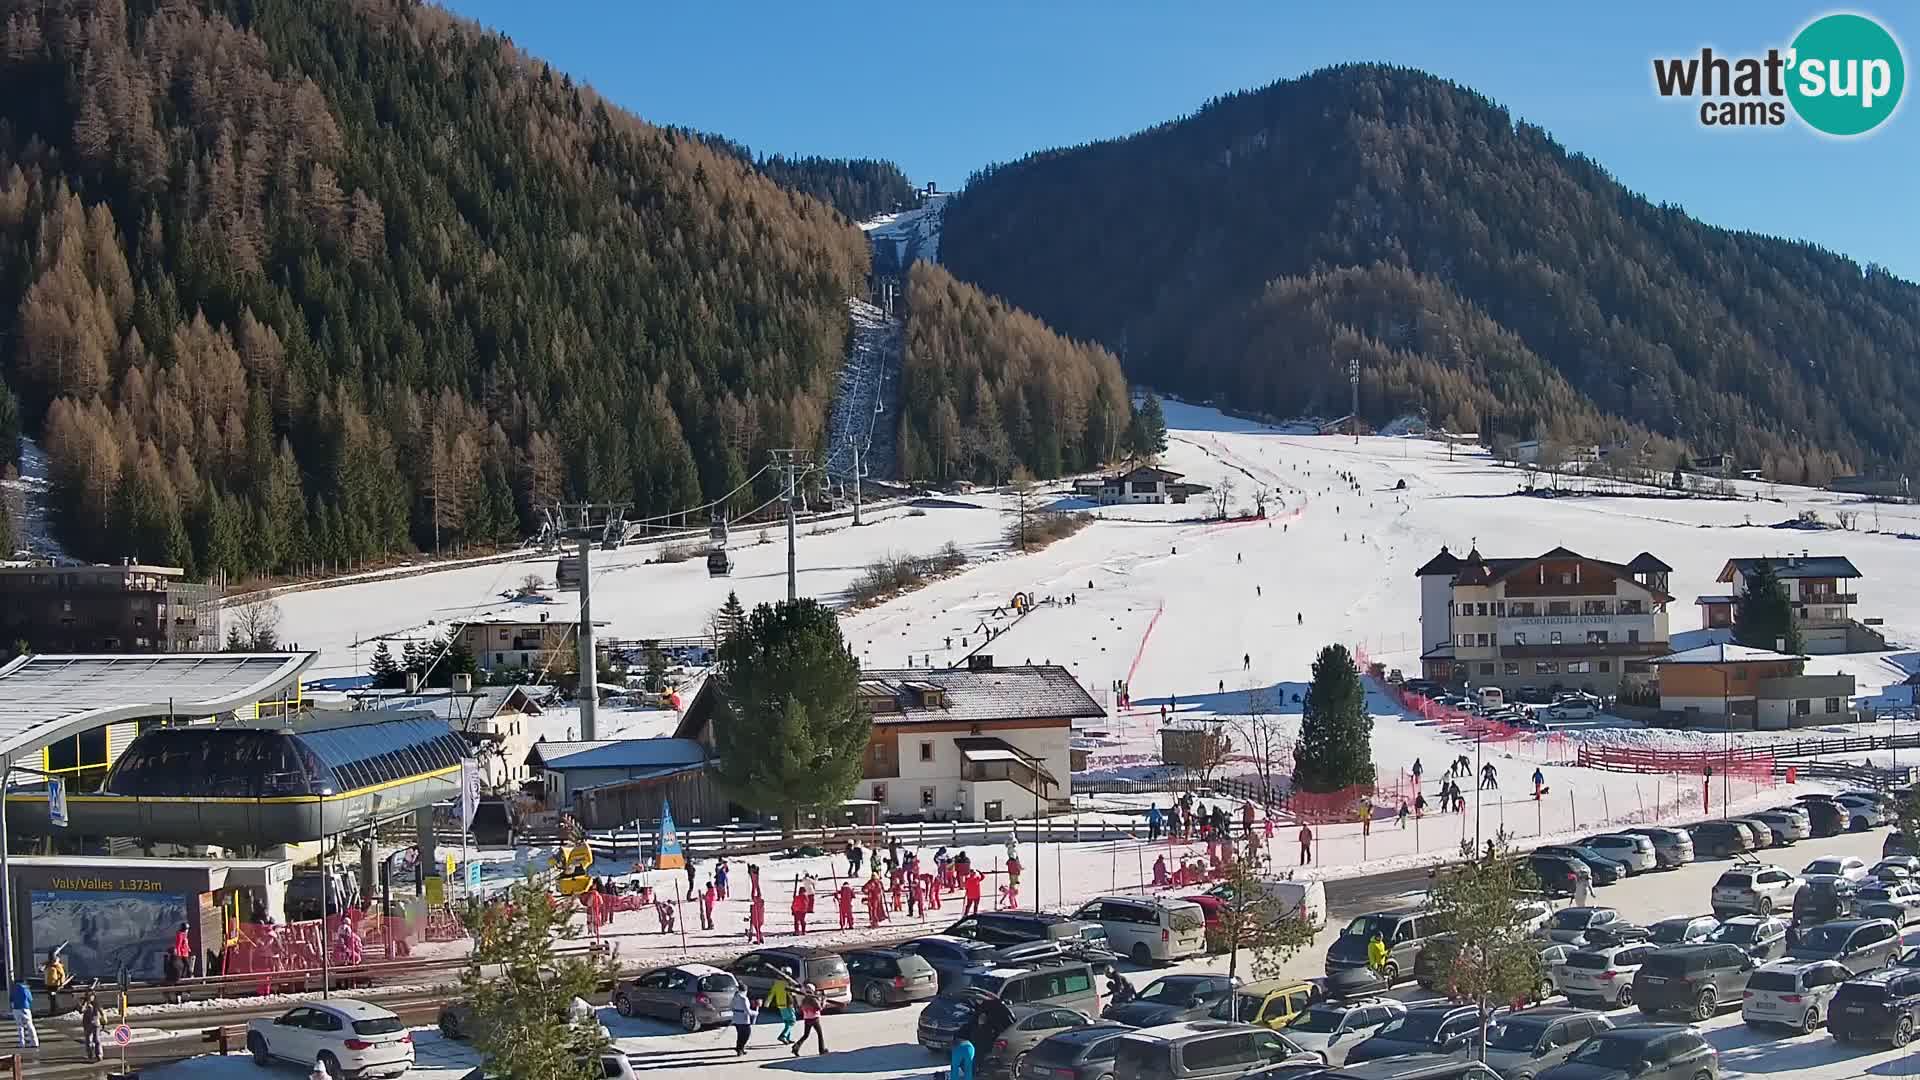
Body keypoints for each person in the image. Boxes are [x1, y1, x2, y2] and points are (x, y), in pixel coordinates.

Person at [790, 983, 826, 1056]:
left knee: (805, 1035)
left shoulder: (804, 999)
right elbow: (820, 1008)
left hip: (807, 1019)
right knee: (820, 1034)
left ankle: (796, 1047)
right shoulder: (813, 999)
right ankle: (822, 1050)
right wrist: (823, 1000)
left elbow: (801, 1008)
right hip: (814, 1019)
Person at [768, 973, 794, 1043]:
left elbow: (771, 993)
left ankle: (787, 1038)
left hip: (780, 1004)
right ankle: (783, 1036)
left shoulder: (776, 984)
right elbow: (793, 993)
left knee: (787, 1022)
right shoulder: (788, 983)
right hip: (788, 1004)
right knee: (792, 1021)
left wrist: (767, 1003)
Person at [10, 978, 35, 1048]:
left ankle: (22, 1043)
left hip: (16, 1009)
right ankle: (34, 1042)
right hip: (25, 1008)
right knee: (30, 1025)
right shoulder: (26, 989)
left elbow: (11, 999)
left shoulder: (13, 989)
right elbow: (30, 999)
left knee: (19, 1026)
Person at [731, 989, 757, 1055]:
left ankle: (740, 1049)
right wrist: (755, 1013)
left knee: (740, 1035)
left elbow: (731, 1007)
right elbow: (747, 1011)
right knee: (746, 1035)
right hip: (744, 1020)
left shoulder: (734, 997)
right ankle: (740, 1049)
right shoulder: (744, 999)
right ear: (745, 991)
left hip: (736, 1019)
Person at [79, 989, 102, 1062]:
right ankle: (90, 1054)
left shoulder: (96, 1003)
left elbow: (101, 1012)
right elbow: (81, 1010)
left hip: (96, 1024)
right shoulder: (85, 1004)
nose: (90, 997)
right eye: (89, 996)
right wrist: (85, 1003)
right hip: (87, 1024)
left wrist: (102, 1018)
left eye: (92, 996)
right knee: (88, 1041)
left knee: (97, 1040)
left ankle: (99, 1055)